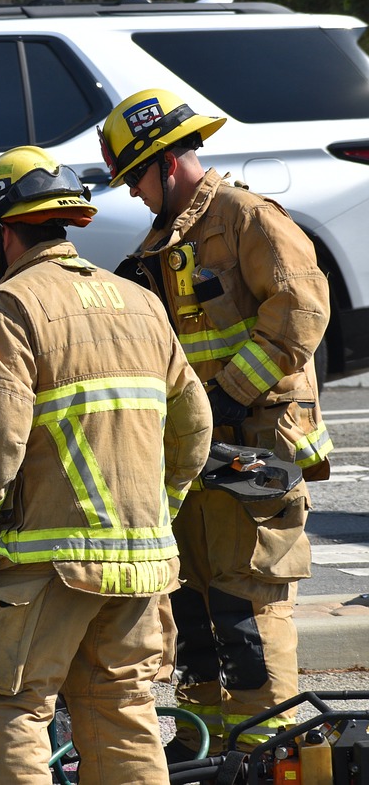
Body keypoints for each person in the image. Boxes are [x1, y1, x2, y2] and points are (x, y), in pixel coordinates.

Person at [0, 145, 212, 784]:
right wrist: (158, 510)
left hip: (50, 564)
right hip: (143, 561)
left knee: (11, 705)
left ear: (4, 233)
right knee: (122, 709)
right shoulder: (141, 303)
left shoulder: (13, 306)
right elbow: (193, 429)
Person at [98, 88, 334, 753]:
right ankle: (210, 741)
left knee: (248, 603)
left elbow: (300, 311)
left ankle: (270, 748)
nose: (135, 194)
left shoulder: (245, 219)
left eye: (137, 178)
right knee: (196, 605)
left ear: (168, 163)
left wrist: (229, 394)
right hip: (203, 456)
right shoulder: (164, 244)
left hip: (256, 449)